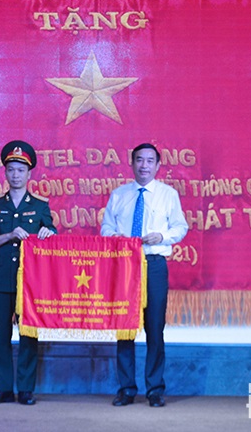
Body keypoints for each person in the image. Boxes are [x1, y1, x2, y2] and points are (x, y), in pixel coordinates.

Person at [101, 142, 188, 408]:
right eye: (139, 160)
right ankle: (126, 388)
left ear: (158, 165)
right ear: (132, 163)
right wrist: (115, 238)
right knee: (125, 327)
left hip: (154, 263)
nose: (144, 166)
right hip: (125, 265)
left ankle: (155, 389)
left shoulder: (168, 194)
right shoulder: (119, 194)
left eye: (150, 161)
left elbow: (180, 227)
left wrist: (162, 236)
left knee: (154, 327)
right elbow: (106, 227)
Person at [0, 140, 56, 406]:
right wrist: (10, 234)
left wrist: (48, 233)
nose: (15, 175)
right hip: (1, 278)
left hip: (30, 281)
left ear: (29, 174)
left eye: (20, 170)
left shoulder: (40, 205)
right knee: (0, 335)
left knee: (28, 334)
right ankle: (2, 389)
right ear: (5, 172)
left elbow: (52, 233)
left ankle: (25, 389)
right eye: (11, 169)